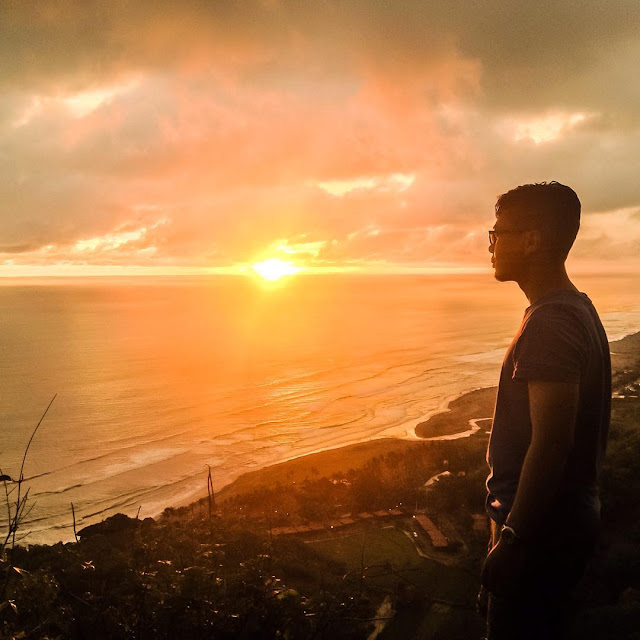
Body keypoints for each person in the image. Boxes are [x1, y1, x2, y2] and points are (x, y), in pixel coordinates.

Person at [479, 182, 611, 639]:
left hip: (540, 534)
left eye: (497, 234)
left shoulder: (551, 322)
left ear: (532, 240)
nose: (490, 245)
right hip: (550, 527)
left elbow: (551, 443)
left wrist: (513, 538)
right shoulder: (574, 309)